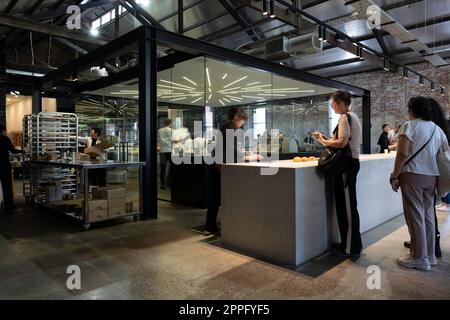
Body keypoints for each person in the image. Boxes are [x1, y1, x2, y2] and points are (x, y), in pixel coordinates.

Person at [390, 96, 449, 271]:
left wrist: (394, 176)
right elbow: (445, 154)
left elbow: (402, 154)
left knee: (415, 216)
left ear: (412, 110)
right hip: (432, 177)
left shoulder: (409, 126)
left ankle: (418, 257)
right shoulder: (437, 129)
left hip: (412, 175)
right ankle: (430, 256)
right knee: (428, 216)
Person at [205, 107, 263, 234]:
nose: (243, 123)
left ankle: (212, 225)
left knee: (216, 198)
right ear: (237, 117)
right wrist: (250, 157)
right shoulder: (230, 129)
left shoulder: (228, 128)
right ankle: (212, 226)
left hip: (218, 166)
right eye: (243, 120)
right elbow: (232, 153)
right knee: (217, 198)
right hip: (219, 168)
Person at [318, 90, 363, 257]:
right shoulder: (353, 116)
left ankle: (351, 247)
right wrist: (327, 139)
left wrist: (324, 141)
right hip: (351, 164)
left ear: (341, 102)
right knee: (347, 206)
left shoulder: (345, 117)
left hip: (346, 165)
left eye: (333, 103)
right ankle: (348, 243)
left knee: (348, 207)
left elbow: (342, 142)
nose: (332, 106)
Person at [0, 124, 22, 210]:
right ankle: (9, 204)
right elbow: (13, 150)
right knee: (7, 185)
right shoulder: (5, 139)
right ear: (3, 131)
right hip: (4, 163)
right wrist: (22, 151)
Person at [157, 119, 174, 190]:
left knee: (163, 168)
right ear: (170, 123)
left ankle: (162, 185)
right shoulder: (172, 131)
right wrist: (170, 144)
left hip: (163, 151)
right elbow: (173, 140)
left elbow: (161, 140)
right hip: (170, 151)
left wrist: (166, 143)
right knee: (171, 167)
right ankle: (169, 183)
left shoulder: (160, 130)